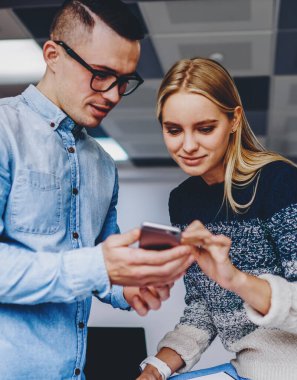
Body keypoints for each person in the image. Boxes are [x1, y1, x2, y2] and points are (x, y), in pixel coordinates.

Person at [0, 1, 195, 378]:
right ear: (53, 55)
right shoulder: (4, 133)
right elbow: (95, 263)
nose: (113, 94)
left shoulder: (103, 164)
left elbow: (103, 265)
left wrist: (136, 284)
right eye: (101, 74)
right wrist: (100, 265)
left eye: (125, 80)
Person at [137, 57, 297, 380]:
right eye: (173, 130)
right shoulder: (183, 202)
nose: (188, 145)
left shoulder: (281, 183)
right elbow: (202, 310)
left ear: (234, 120)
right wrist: (156, 368)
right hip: (242, 371)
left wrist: (235, 279)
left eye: (205, 128)